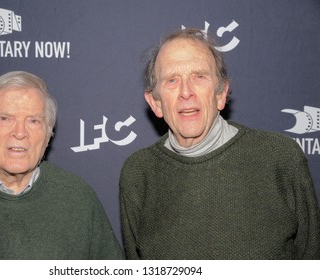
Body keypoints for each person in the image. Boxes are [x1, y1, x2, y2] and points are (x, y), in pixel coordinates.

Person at [120, 28, 320, 259]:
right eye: (172, 80)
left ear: (221, 94)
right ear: (155, 102)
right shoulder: (138, 174)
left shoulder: (280, 158)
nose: (186, 92)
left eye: (199, 76)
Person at [0, 71, 123, 260]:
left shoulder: (78, 198)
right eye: (5, 118)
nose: (20, 132)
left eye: (33, 121)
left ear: (48, 134)